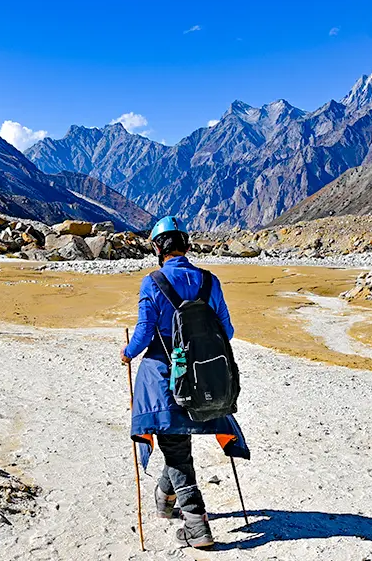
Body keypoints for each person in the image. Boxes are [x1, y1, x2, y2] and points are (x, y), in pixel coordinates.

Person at [122, 216, 246, 550]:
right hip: (206, 375)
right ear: (186, 245)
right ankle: (164, 499)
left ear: (156, 249)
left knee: (175, 449)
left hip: (163, 377)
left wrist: (127, 353)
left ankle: (196, 523)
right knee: (176, 445)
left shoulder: (153, 282)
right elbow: (228, 331)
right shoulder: (209, 281)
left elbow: (145, 332)